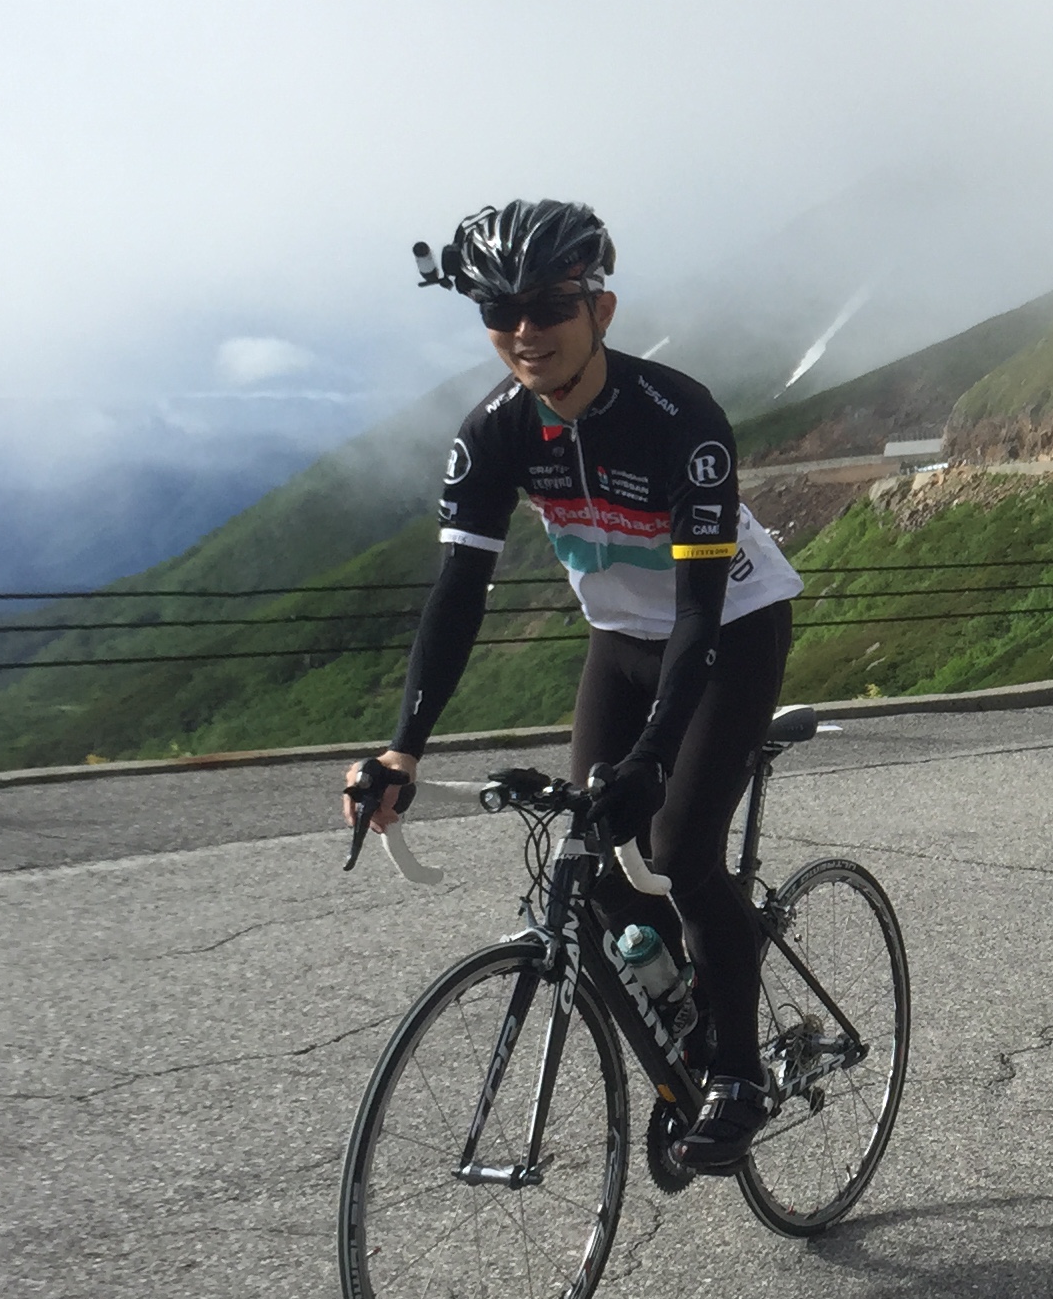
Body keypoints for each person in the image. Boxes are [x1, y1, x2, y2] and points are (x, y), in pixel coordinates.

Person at [343, 199, 802, 1172]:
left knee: (679, 849)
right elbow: (457, 593)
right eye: (498, 311)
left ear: (601, 308)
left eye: (550, 305)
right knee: (592, 861)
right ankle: (686, 1010)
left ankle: (740, 1070)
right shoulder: (497, 431)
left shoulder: (680, 418)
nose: (524, 331)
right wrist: (402, 750)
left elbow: (699, 610)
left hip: (727, 631)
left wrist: (653, 756)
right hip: (619, 641)